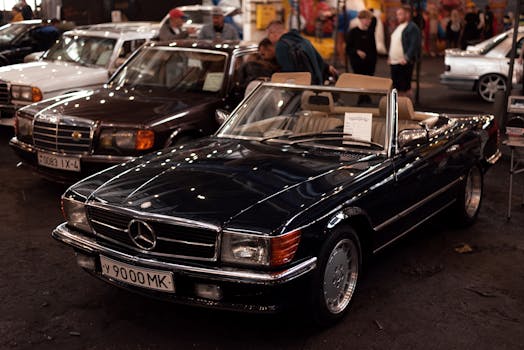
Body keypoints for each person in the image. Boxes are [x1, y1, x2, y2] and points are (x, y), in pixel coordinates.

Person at [266, 20, 337, 85]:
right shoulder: (304, 40)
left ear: (273, 34)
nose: (269, 39)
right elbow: (320, 62)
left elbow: (287, 73)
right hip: (316, 86)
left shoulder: (281, 45)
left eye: (268, 35)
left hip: (300, 89)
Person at [388, 5, 421, 99]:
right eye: (397, 14)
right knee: (396, 86)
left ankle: (405, 107)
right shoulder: (400, 27)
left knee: (403, 87)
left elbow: (414, 44)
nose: (398, 16)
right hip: (395, 61)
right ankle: (398, 107)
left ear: (407, 14)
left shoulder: (412, 27)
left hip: (403, 62)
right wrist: (390, 57)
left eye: (400, 14)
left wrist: (407, 57)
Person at [345, 10, 377, 77]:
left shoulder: (370, 33)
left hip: (369, 65)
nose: (370, 21)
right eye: (367, 19)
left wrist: (373, 62)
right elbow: (348, 48)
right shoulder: (353, 32)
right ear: (361, 19)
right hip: (357, 64)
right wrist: (357, 52)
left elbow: (373, 49)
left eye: (370, 19)